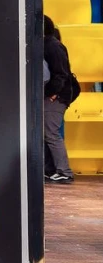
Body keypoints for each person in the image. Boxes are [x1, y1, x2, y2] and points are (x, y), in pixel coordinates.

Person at [44, 15, 74, 184]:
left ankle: (64, 171)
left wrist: (52, 93)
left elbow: (61, 73)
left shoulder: (52, 46)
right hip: (54, 95)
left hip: (57, 97)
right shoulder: (47, 44)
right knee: (47, 134)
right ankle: (51, 169)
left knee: (51, 133)